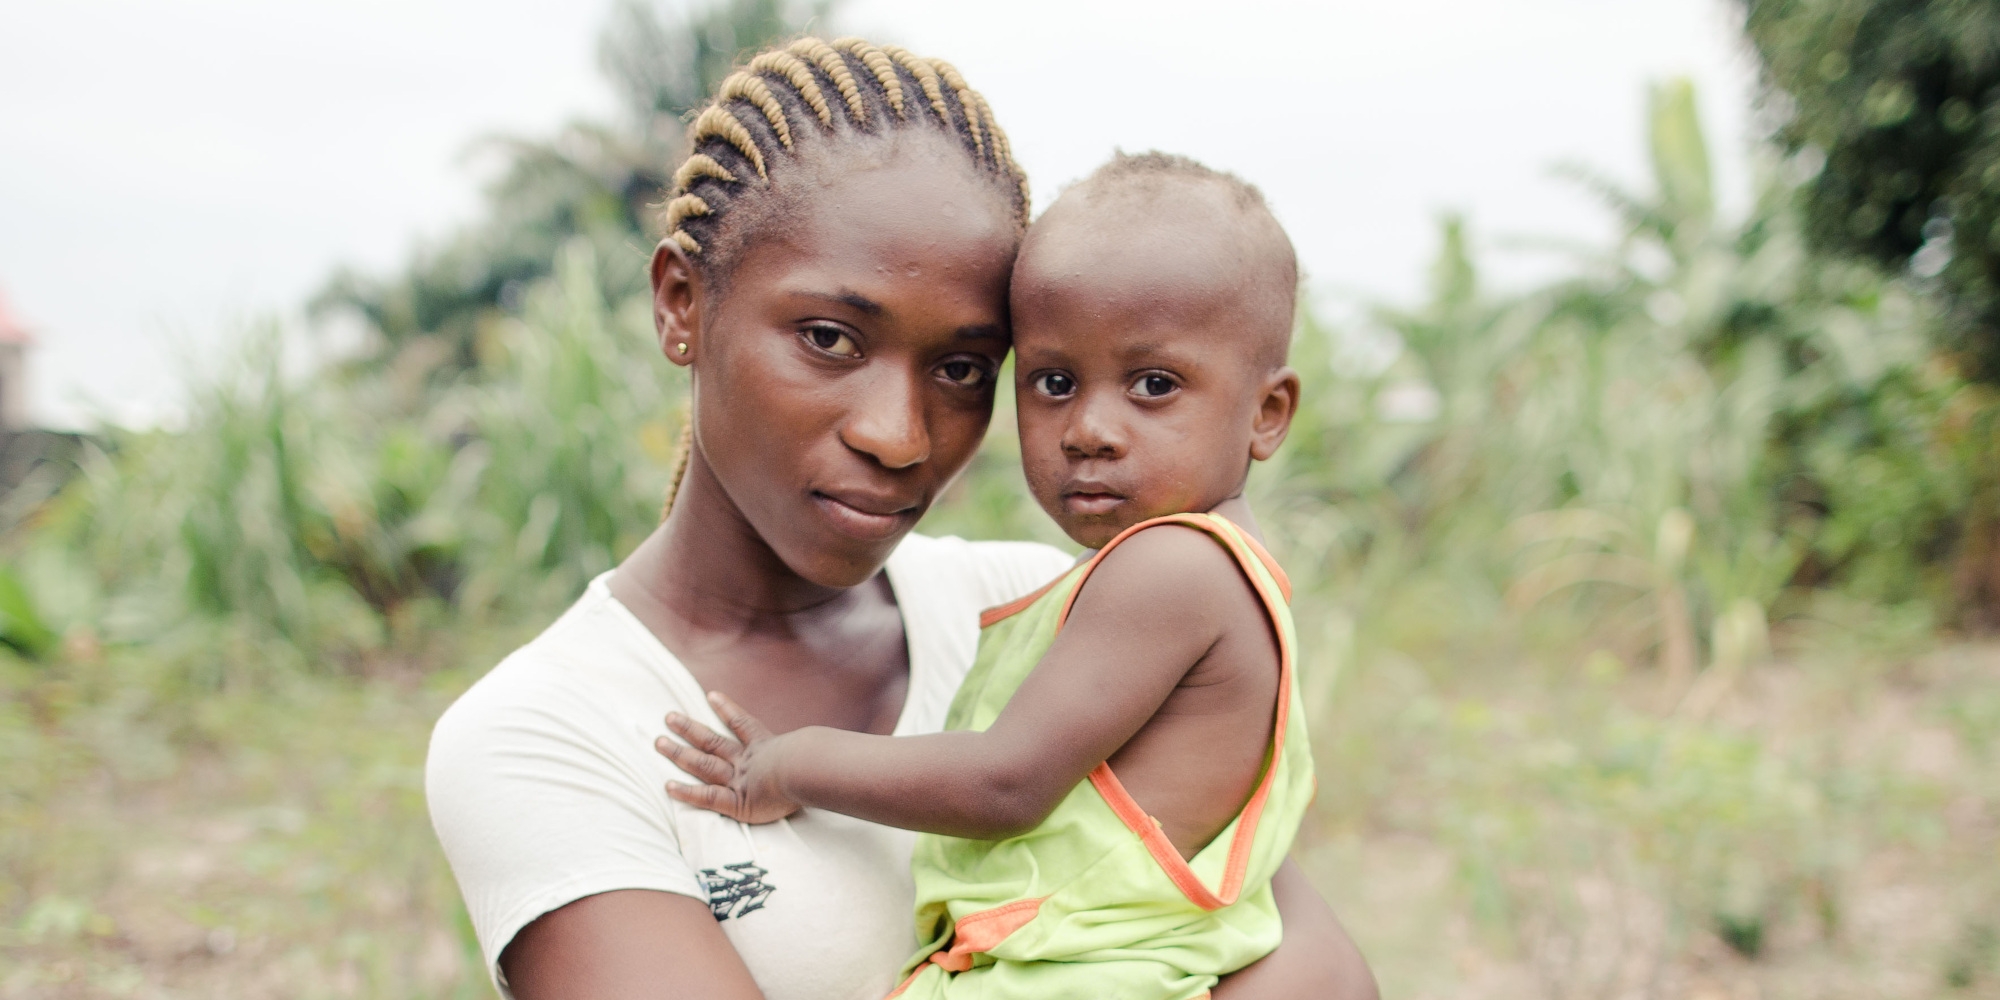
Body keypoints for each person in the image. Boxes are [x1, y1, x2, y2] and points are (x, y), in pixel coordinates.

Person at [424, 37, 1378, 1000]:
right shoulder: (543, 733)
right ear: (683, 304)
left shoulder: (1040, 611)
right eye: (830, 338)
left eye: (963, 368)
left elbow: (1309, 965)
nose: (898, 435)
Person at [658, 151, 1314, 1000]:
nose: (1089, 430)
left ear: (1267, 413)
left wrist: (792, 764)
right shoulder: (1196, 572)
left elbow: (1006, 782)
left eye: (1154, 385)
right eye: (1054, 382)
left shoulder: (1175, 568)